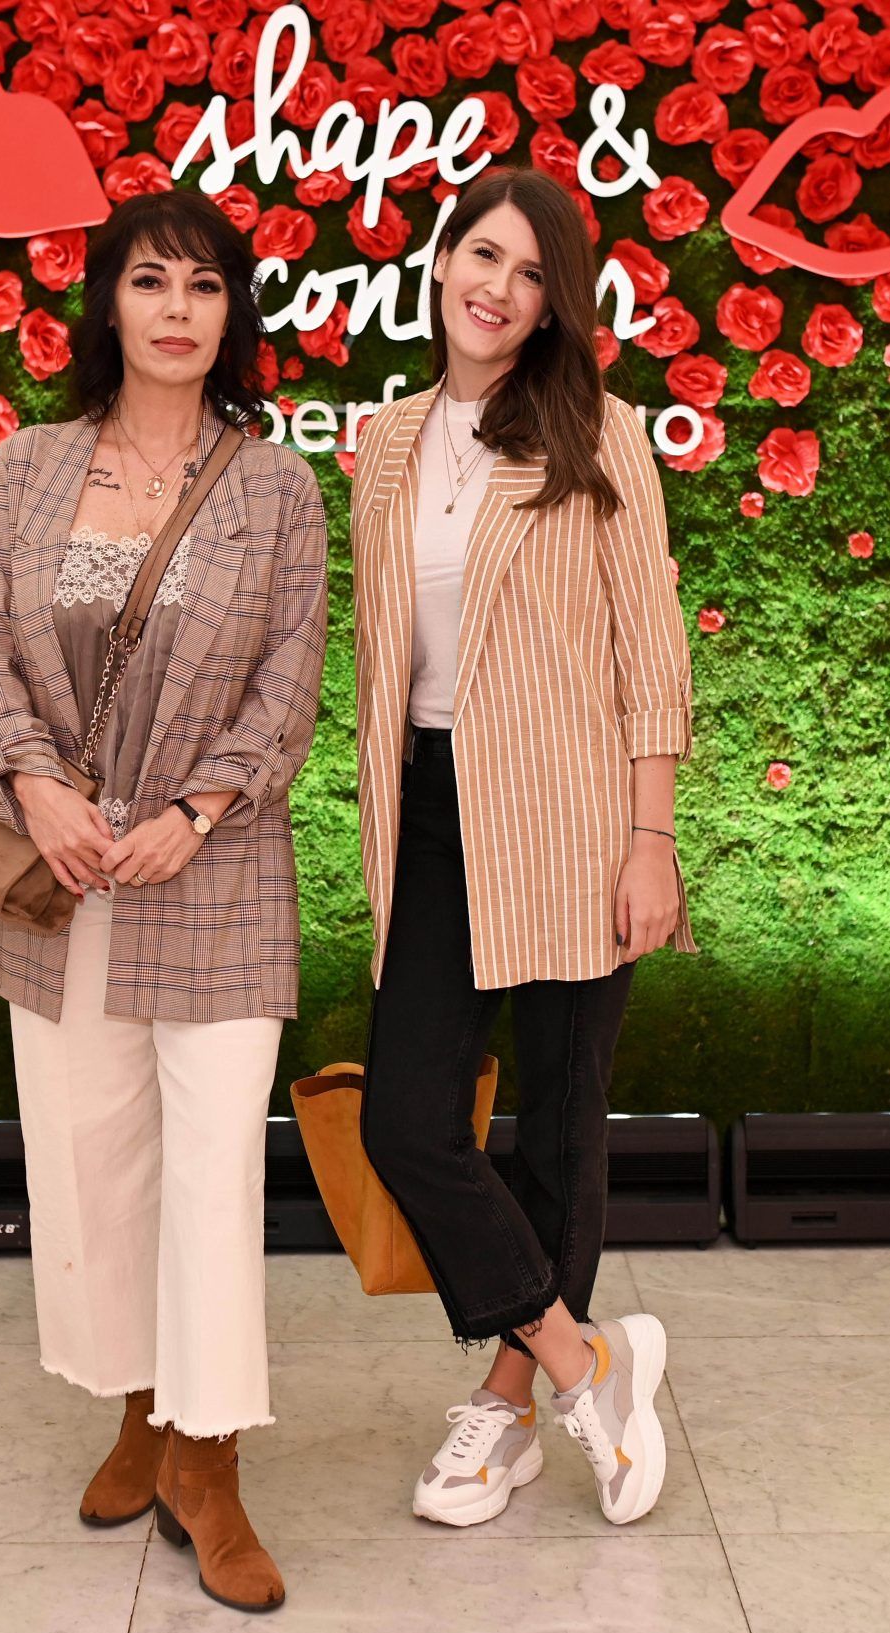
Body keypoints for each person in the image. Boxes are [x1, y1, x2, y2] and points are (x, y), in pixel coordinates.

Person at [0, 189, 328, 1611]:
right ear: (108, 301)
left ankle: (209, 1461)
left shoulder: (274, 487)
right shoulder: (31, 467)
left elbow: (289, 680)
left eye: (206, 286)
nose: (178, 309)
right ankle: (139, 1412)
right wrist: (36, 787)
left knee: (213, 1167)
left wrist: (198, 810)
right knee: (92, 1161)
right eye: (152, 281)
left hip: (212, 873)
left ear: (234, 316)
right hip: (55, 874)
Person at [349, 166, 697, 1531]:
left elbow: (648, 647)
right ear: (442, 264)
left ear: (556, 305)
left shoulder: (596, 432)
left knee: (556, 1121)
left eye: (533, 273)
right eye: (483, 256)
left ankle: (504, 1409)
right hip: (430, 808)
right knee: (405, 1122)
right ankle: (579, 1359)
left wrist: (650, 836)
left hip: (572, 813)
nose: (499, 288)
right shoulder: (387, 438)